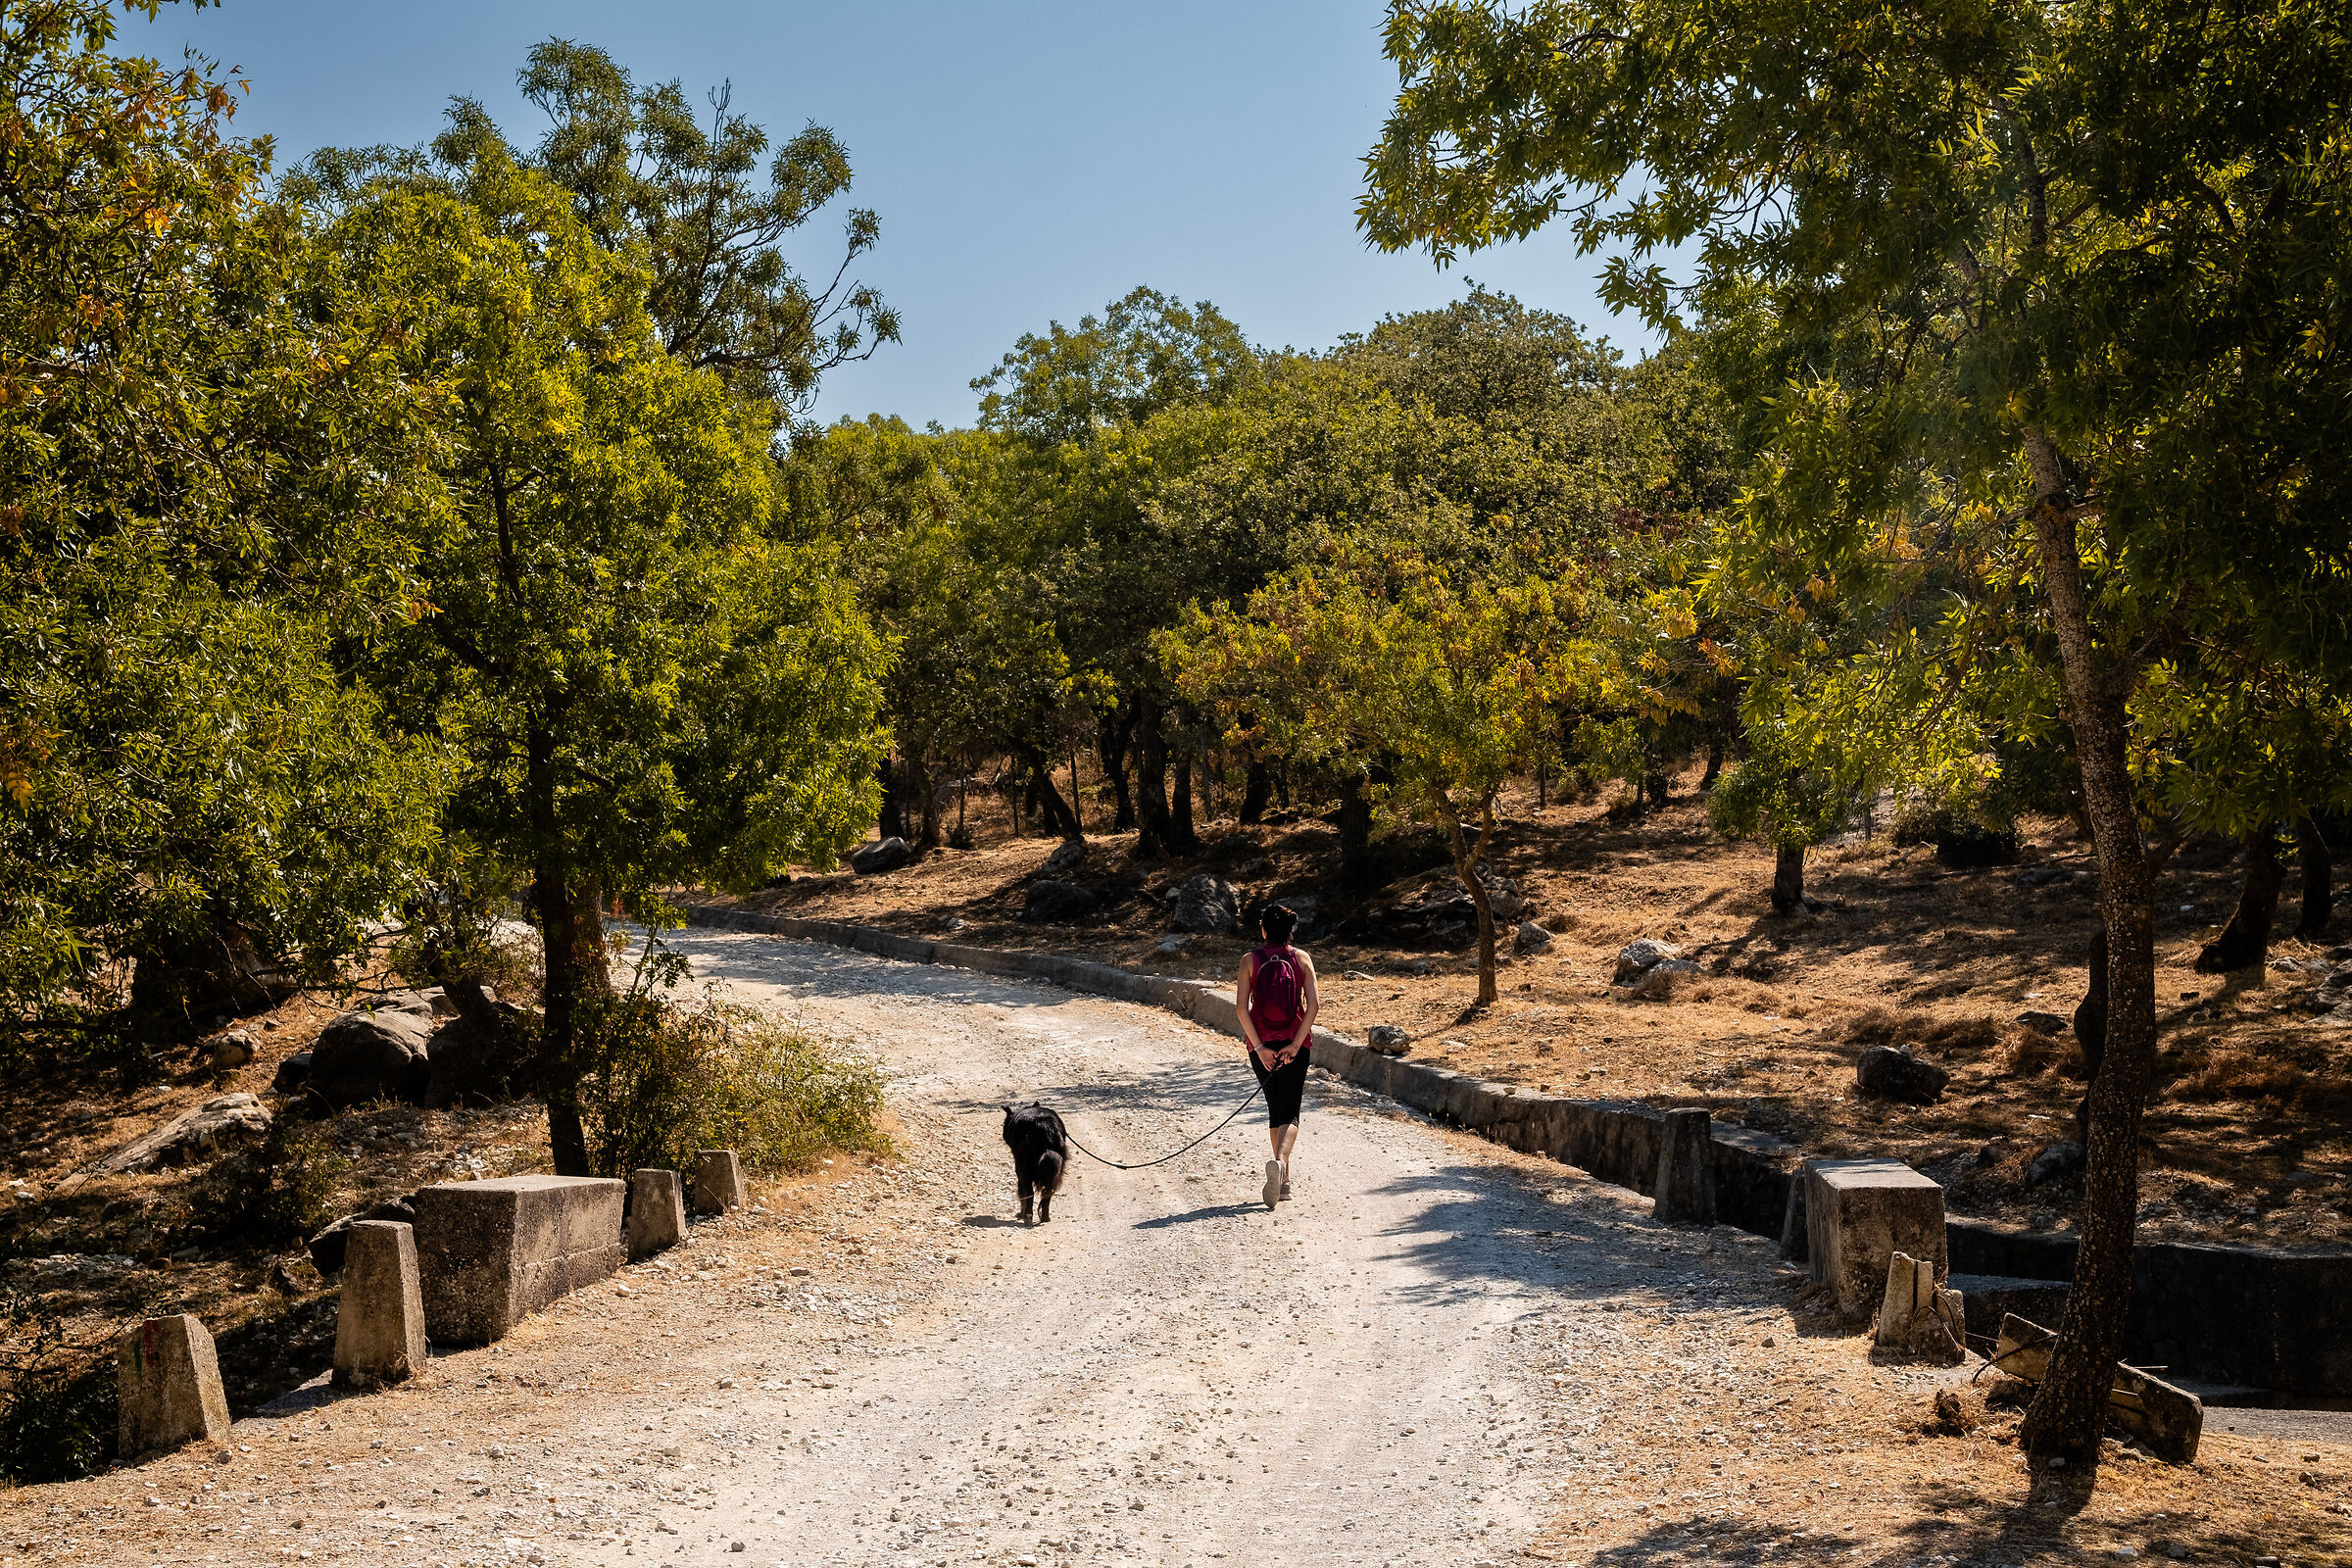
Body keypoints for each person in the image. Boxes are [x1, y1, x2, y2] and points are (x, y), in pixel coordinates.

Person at [1235, 904, 1319, 1208]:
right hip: (1295, 1042)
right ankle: (1282, 1166)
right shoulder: (1302, 958)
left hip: (1262, 1045)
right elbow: (1313, 1006)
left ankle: (1283, 1180)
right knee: (1291, 1111)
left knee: (1275, 1109)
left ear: (1264, 929)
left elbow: (1241, 1008)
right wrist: (1295, 1045)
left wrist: (1259, 1047)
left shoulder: (1249, 960)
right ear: (1290, 930)